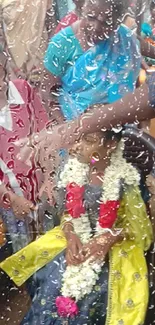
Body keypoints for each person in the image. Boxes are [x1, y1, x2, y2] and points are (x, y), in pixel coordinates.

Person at [1, 130, 153, 324]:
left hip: (114, 244)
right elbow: (68, 214)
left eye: (89, 140)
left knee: (96, 293)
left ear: (111, 144)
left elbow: (141, 228)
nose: (78, 147)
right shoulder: (75, 170)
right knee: (51, 278)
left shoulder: (126, 178)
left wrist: (107, 238)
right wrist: (70, 233)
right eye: (78, 139)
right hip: (76, 237)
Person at [0, 46, 49, 253]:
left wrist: (50, 177)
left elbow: (45, 134)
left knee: (51, 255)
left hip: (43, 194)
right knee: (20, 262)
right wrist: (10, 198)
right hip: (8, 205)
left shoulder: (23, 90)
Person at [0, 0, 54, 81]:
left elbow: (51, 25)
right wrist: (12, 68)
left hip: (40, 61)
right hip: (13, 67)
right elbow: (1, 38)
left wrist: (46, 63)